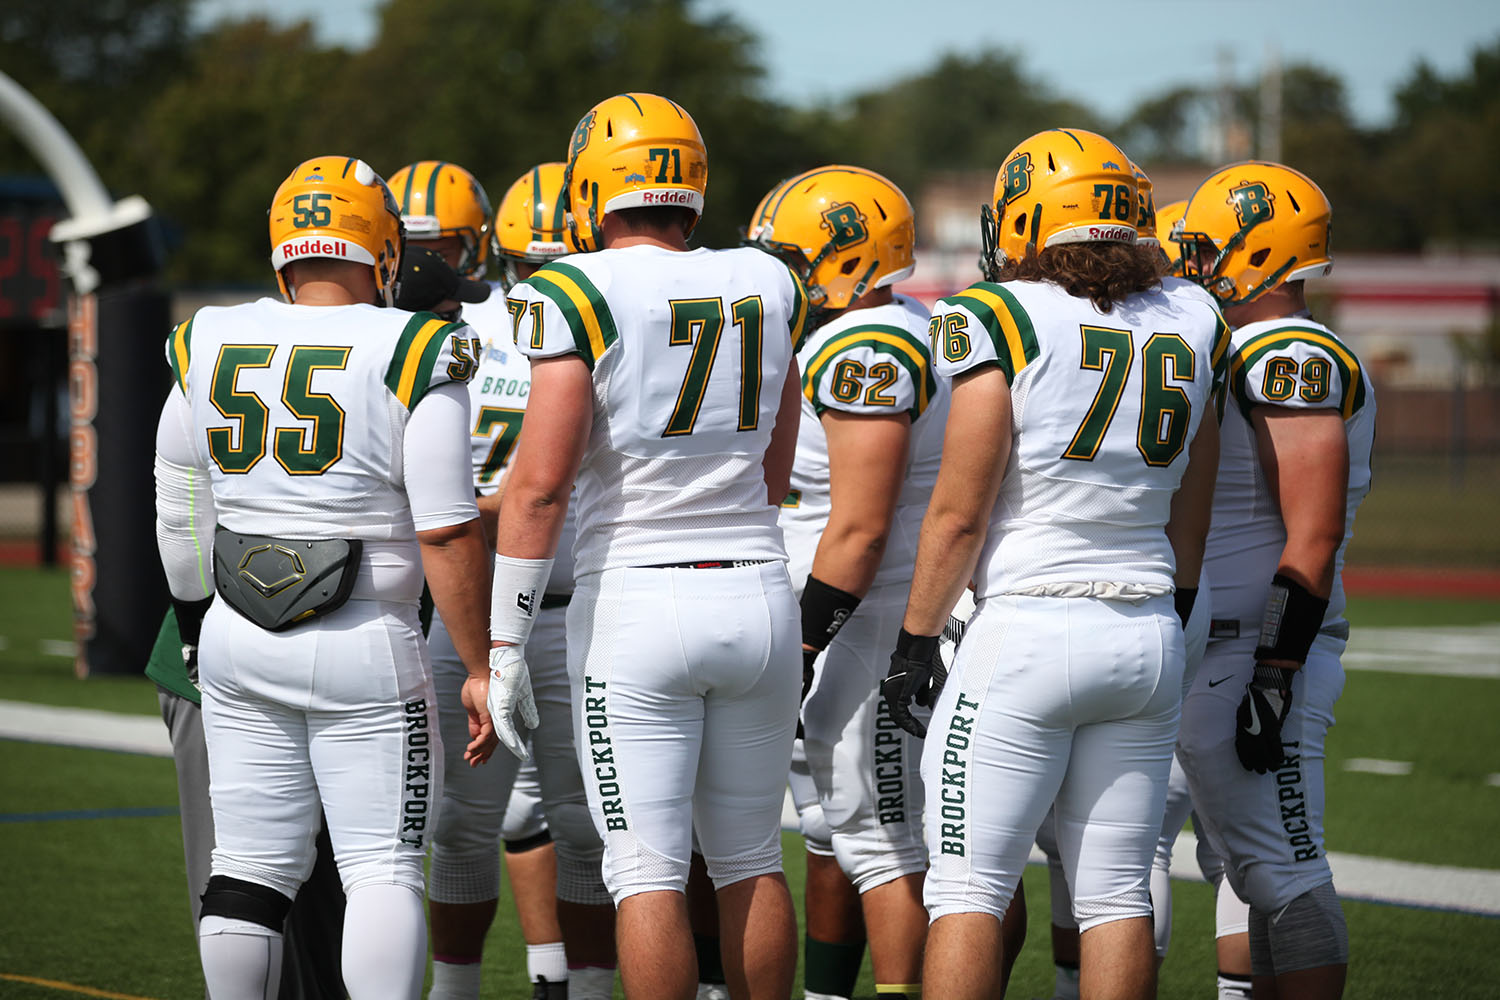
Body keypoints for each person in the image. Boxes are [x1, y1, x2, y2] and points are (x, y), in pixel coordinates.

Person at [882, 127, 1227, 1000]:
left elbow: (960, 514)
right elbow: (1195, 494)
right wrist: (1178, 598)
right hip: (1147, 623)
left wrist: (915, 641)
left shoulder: (996, 314)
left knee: (967, 887)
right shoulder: (1192, 315)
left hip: (1028, 626)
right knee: (1115, 892)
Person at [154, 154, 497, 1000]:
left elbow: (177, 505)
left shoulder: (208, 336)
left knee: (246, 869)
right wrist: (485, 661)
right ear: (381, 244)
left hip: (237, 630)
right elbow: (449, 528)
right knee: (381, 865)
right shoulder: (416, 343)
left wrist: (196, 623)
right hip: (366, 635)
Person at [489, 92, 808, 1000]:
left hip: (637, 597)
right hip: (756, 587)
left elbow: (541, 485)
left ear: (593, 185)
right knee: (750, 858)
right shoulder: (767, 278)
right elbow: (775, 464)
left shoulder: (576, 287)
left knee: (646, 872)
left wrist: (506, 642)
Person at [746, 164, 948, 1000]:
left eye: (790, 255)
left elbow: (860, 526)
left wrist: (801, 639)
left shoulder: (867, 345)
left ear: (846, 259)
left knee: (884, 842)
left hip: (860, 617)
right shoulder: (906, 325)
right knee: (851, 833)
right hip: (860, 612)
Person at [1172, 160, 1373, 1000]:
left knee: (1285, 869)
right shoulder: (1241, 345)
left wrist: (1276, 671)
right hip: (1221, 646)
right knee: (1250, 869)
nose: (1192, 260)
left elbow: (1314, 528)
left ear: (1258, 252)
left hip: (1258, 648)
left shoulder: (1289, 353)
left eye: (1208, 245)